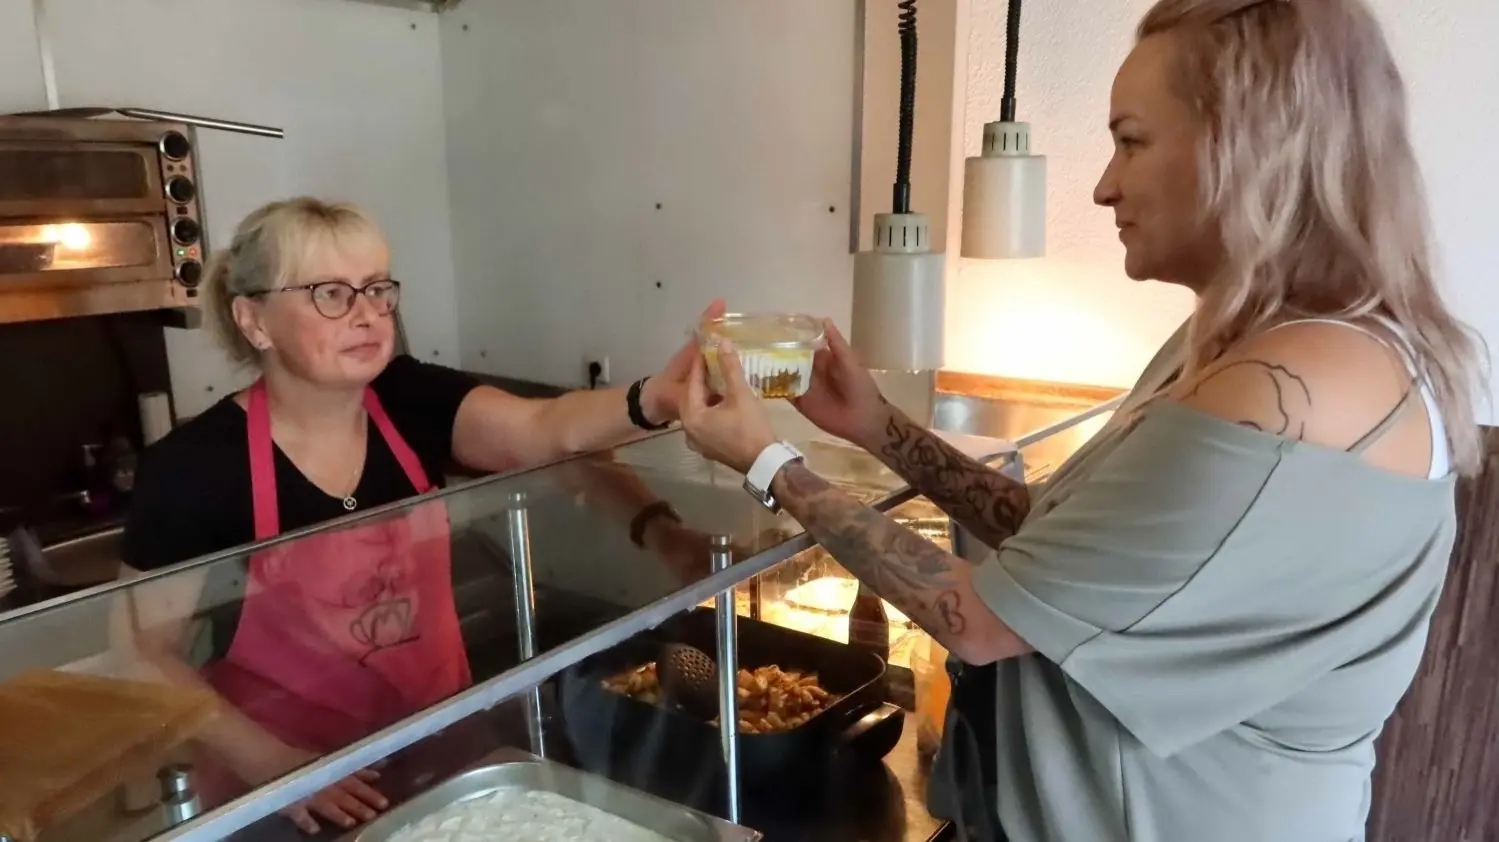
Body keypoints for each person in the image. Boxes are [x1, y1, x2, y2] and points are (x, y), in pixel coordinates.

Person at [679, 1, 1484, 840]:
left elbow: (982, 621)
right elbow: (1057, 555)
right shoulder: (1298, 345)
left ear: (1251, 145)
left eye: (1131, 141)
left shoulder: (1283, 391)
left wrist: (766, 462)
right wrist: (877, 426)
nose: (1104, 185)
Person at [115, 197, 722, 834]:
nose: (367, 314)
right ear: (254, 320)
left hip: (437, 747)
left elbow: (544, 431)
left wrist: (653, 401)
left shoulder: (407, 399)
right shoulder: (193, 468)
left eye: (378, 289)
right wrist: (275, 767)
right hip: (289, 792)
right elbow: (140, 654)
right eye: (330, 293)